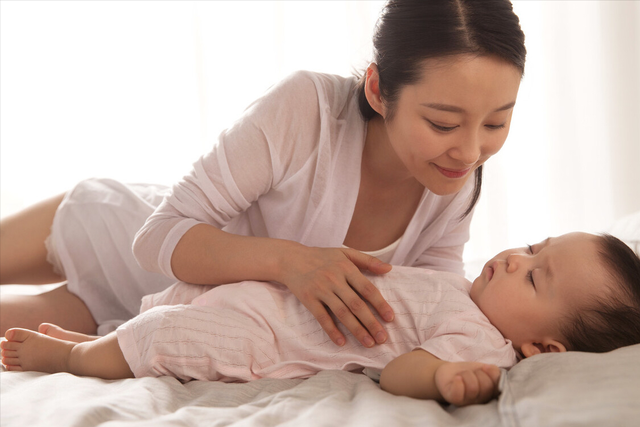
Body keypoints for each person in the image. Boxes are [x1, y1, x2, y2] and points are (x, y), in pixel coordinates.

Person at [0, 0, 526, 349]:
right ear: (377, 90)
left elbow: (428, 300)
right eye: (443, 122)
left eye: (498, 121)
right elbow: (156, 237)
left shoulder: (453, 181)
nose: (472, 150)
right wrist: (290, 263)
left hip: (158, 314)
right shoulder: (308, 110)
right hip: (118, 235)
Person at [3, 232, 640, 407]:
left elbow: (404, 373)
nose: (512, 257)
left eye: (534, 274)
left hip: (269, 335)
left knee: (164, 336)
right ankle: (94, 340)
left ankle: (73, 357)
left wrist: (446, 382)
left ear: (544, 349)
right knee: (174, 303)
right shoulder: (465, 289)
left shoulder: (482, 344)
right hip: (266, 294)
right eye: (533, 246)